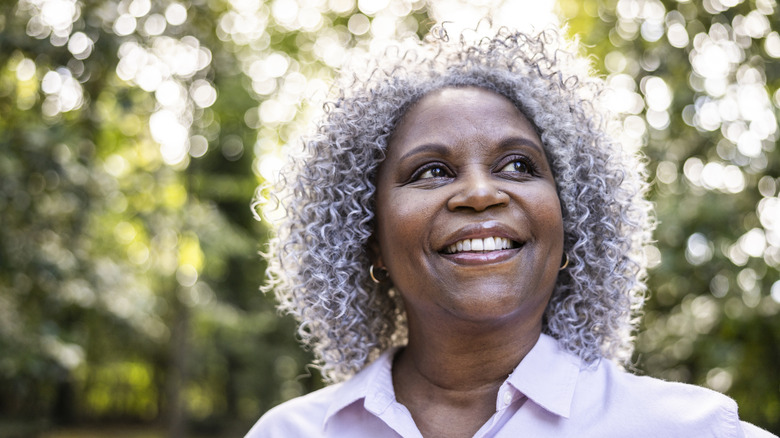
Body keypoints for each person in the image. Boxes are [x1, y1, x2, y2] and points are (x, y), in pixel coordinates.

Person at [246, 25, 776, 437]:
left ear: (572, 226)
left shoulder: (690, 431)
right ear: (368, 238)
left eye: (519, 166)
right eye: (431, 171)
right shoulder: (287, 433)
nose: (481, 193)